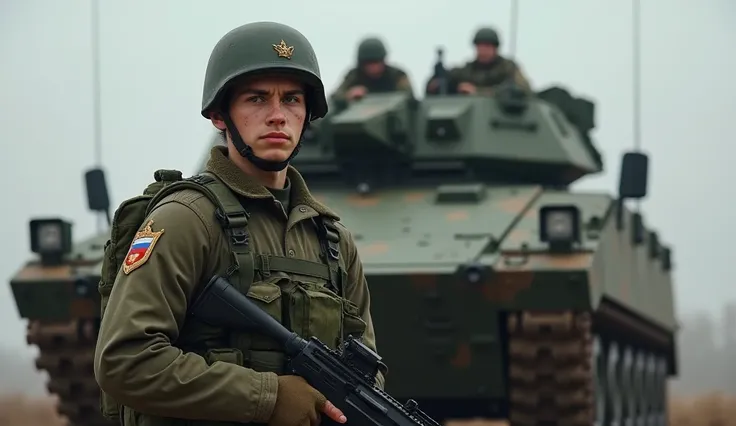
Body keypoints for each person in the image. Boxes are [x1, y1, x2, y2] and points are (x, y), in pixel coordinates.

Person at [94, 21, 382, 426]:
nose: (278, 116)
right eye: (257, 99)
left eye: (293, 99)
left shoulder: (332, 239)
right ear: (219, 114)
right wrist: (268, 397)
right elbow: (124, 360)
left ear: (308, 114)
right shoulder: (187, 219)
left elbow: (368, 376)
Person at [426, 27, 532, 95]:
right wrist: (438, 80)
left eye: (487, 46)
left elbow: (523, 89)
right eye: (479, 46)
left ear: (495, 48)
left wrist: (478, 92)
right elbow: (440, 82)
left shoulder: (507, 67)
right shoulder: (467, 70)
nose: (483, 50)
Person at [332, 36, 414, 102]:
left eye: (376, 62)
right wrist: (349, 95)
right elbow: (335, 97)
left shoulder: (397, 75)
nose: (373, 67)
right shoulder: (354, 76)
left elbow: (409, 97)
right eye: (368, 64)